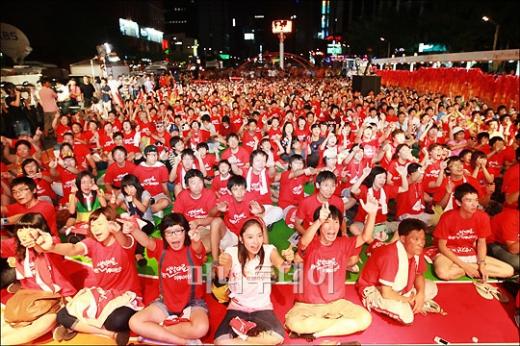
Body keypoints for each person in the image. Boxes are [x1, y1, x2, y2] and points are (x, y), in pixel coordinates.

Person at [37, 208, 142, 345]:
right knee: (62, 315)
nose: (95, 229)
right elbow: (73, 249)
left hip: (126, 296)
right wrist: (51, 247)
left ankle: (77, 326)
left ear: (111, 223)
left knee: (116, 321)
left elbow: (126, 242)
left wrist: (117, 231)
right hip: (102, 295)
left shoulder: (124, 241)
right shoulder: (92, 243)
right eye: (92, 225)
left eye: (99, 224)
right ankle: (110, 334)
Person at [284, 197, 378, 338]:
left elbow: (365, 237)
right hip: (307, 306)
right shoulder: (312, 243)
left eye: (336, 222)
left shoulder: (343, 244)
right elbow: (303, 242)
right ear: (319, 226)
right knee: (294, 323)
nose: (332, 227)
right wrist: (319, 221)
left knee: (365, 319)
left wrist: (372, 214)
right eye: (327, 222)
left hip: (336, 304)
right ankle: (335, 325)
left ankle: (317, 334)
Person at [127, 213, 209, 344]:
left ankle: (157, 329)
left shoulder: (193, 248)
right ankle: (183, 341)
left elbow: (198, 249)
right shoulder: (161, 248)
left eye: (178, 231)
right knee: (134, 322)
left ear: (186, 232)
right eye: (169, 232)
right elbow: (146, 241)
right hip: (166, 302)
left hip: (193, 302)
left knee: (201, 328)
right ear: (164, 236)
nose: (174, 236)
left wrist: (196, 239)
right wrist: (133, 229)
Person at [0, 213, 76, 345]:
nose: (24, 233)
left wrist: (41, 243)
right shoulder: (17, 245)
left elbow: (56, 248)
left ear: (41, 230)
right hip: (30, 297)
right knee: (9, 321)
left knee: (48, 320)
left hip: (55, 297)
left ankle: (61, 325)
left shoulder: (51, 242)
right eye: (21, 229)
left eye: (30, 229)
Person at [214, 218, 290, 345]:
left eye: (259, 236)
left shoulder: (269, 250)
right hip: (237, 308)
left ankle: (243, 339)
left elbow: (284, 268)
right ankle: (257, 340)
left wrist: (288, 261)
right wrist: (221, 265)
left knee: (278, 337)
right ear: (241, 239)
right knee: (220, 341)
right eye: (250, 237)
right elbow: (221, 277)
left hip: (262, 307)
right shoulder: (231, 253)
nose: (256, 241)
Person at [358, 218, 440, 324]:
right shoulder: (390, 255)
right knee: (407, 317)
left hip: (401, 288)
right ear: (402, 239)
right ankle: (402, 304)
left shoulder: (416, 250)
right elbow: (386, 293)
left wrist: (420, 294)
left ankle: (413, 301)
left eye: (423, 240)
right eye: (416, 239)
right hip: (376, 289)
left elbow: (419, 274)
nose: (421, 243)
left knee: (432, 288)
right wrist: (409, 300)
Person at [433, 183, 514, 281]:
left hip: (469, 252)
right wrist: (465, 266)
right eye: (469, 200)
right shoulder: (447, 217)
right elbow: (442, 246)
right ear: (458, 203)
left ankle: (469, 269)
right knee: (443, 273)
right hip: (449, 253)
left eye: (476, 200)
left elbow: (481, 242)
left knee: (509, 271)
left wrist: (482, 264)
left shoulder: (483, 217)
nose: (474, 204)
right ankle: (468, 269)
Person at [134, 145, 171, 216]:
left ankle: (147, 211)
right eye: (150, 155)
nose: (153, 157)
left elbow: (164, 184)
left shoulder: (162, 167)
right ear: (145, 156)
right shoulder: (138, 168)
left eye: (155, 155)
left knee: (165, 202)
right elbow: (135, 184)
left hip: (158, 195)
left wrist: (168, 197)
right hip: (144, 195)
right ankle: (154, 211)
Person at [487, 205, 519, 272]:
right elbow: (513, 250)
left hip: (510, 246)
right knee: (517, 262)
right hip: (492, 245)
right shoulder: (511, 217)